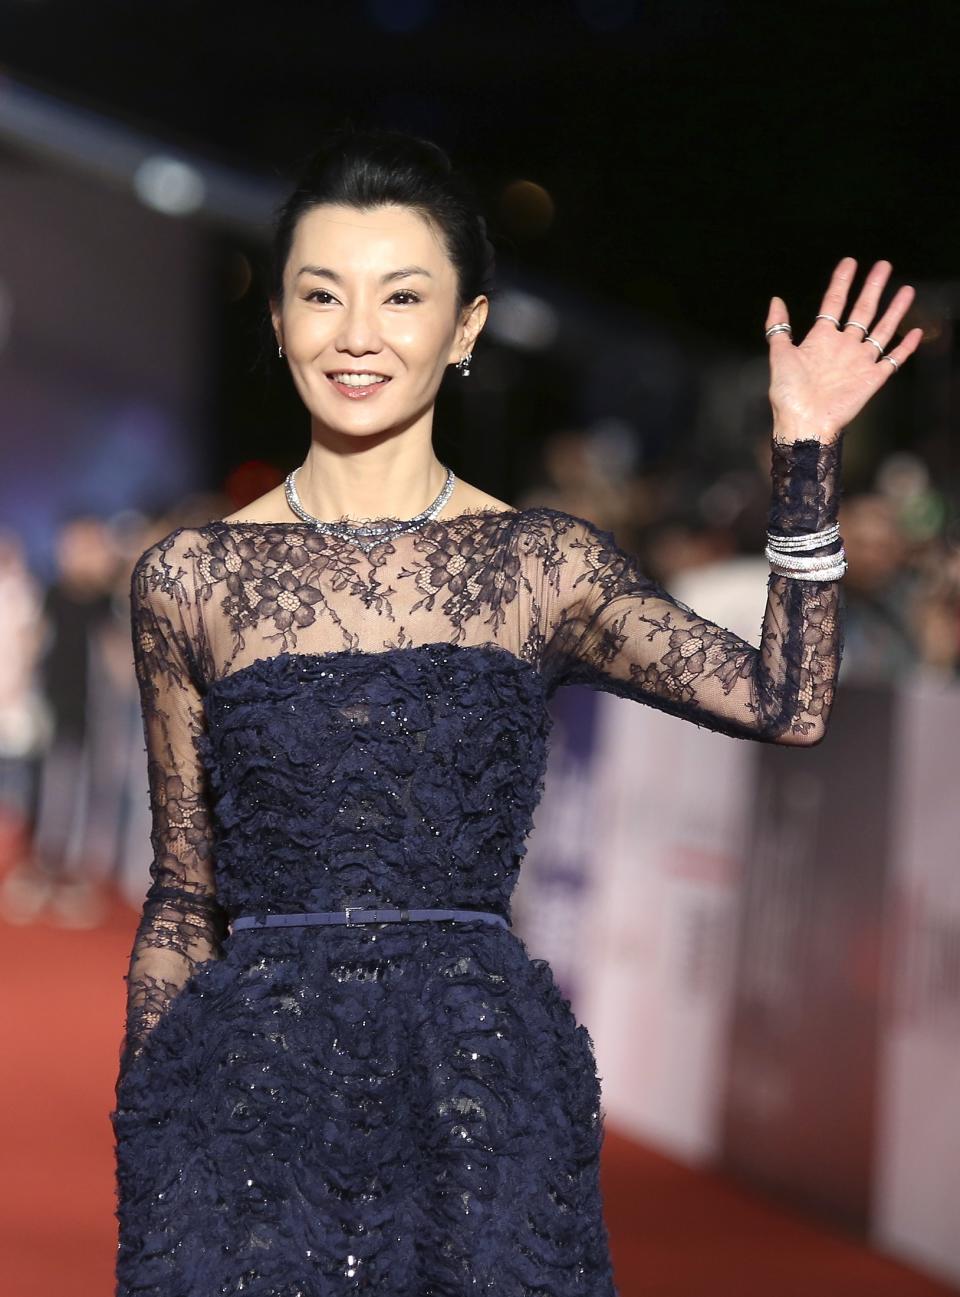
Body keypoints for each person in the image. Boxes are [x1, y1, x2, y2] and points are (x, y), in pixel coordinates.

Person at [109, 126, 922, 1295]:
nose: (358, 334)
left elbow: (785, 700)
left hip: (477, 1093)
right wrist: (149, 1143)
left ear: (466, 328)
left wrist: (806, 456)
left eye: (402, 296)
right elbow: (185, 895)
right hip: (247, 1095)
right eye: (321, 294)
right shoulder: (189, 578)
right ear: (278, 319)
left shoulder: (541, 566)